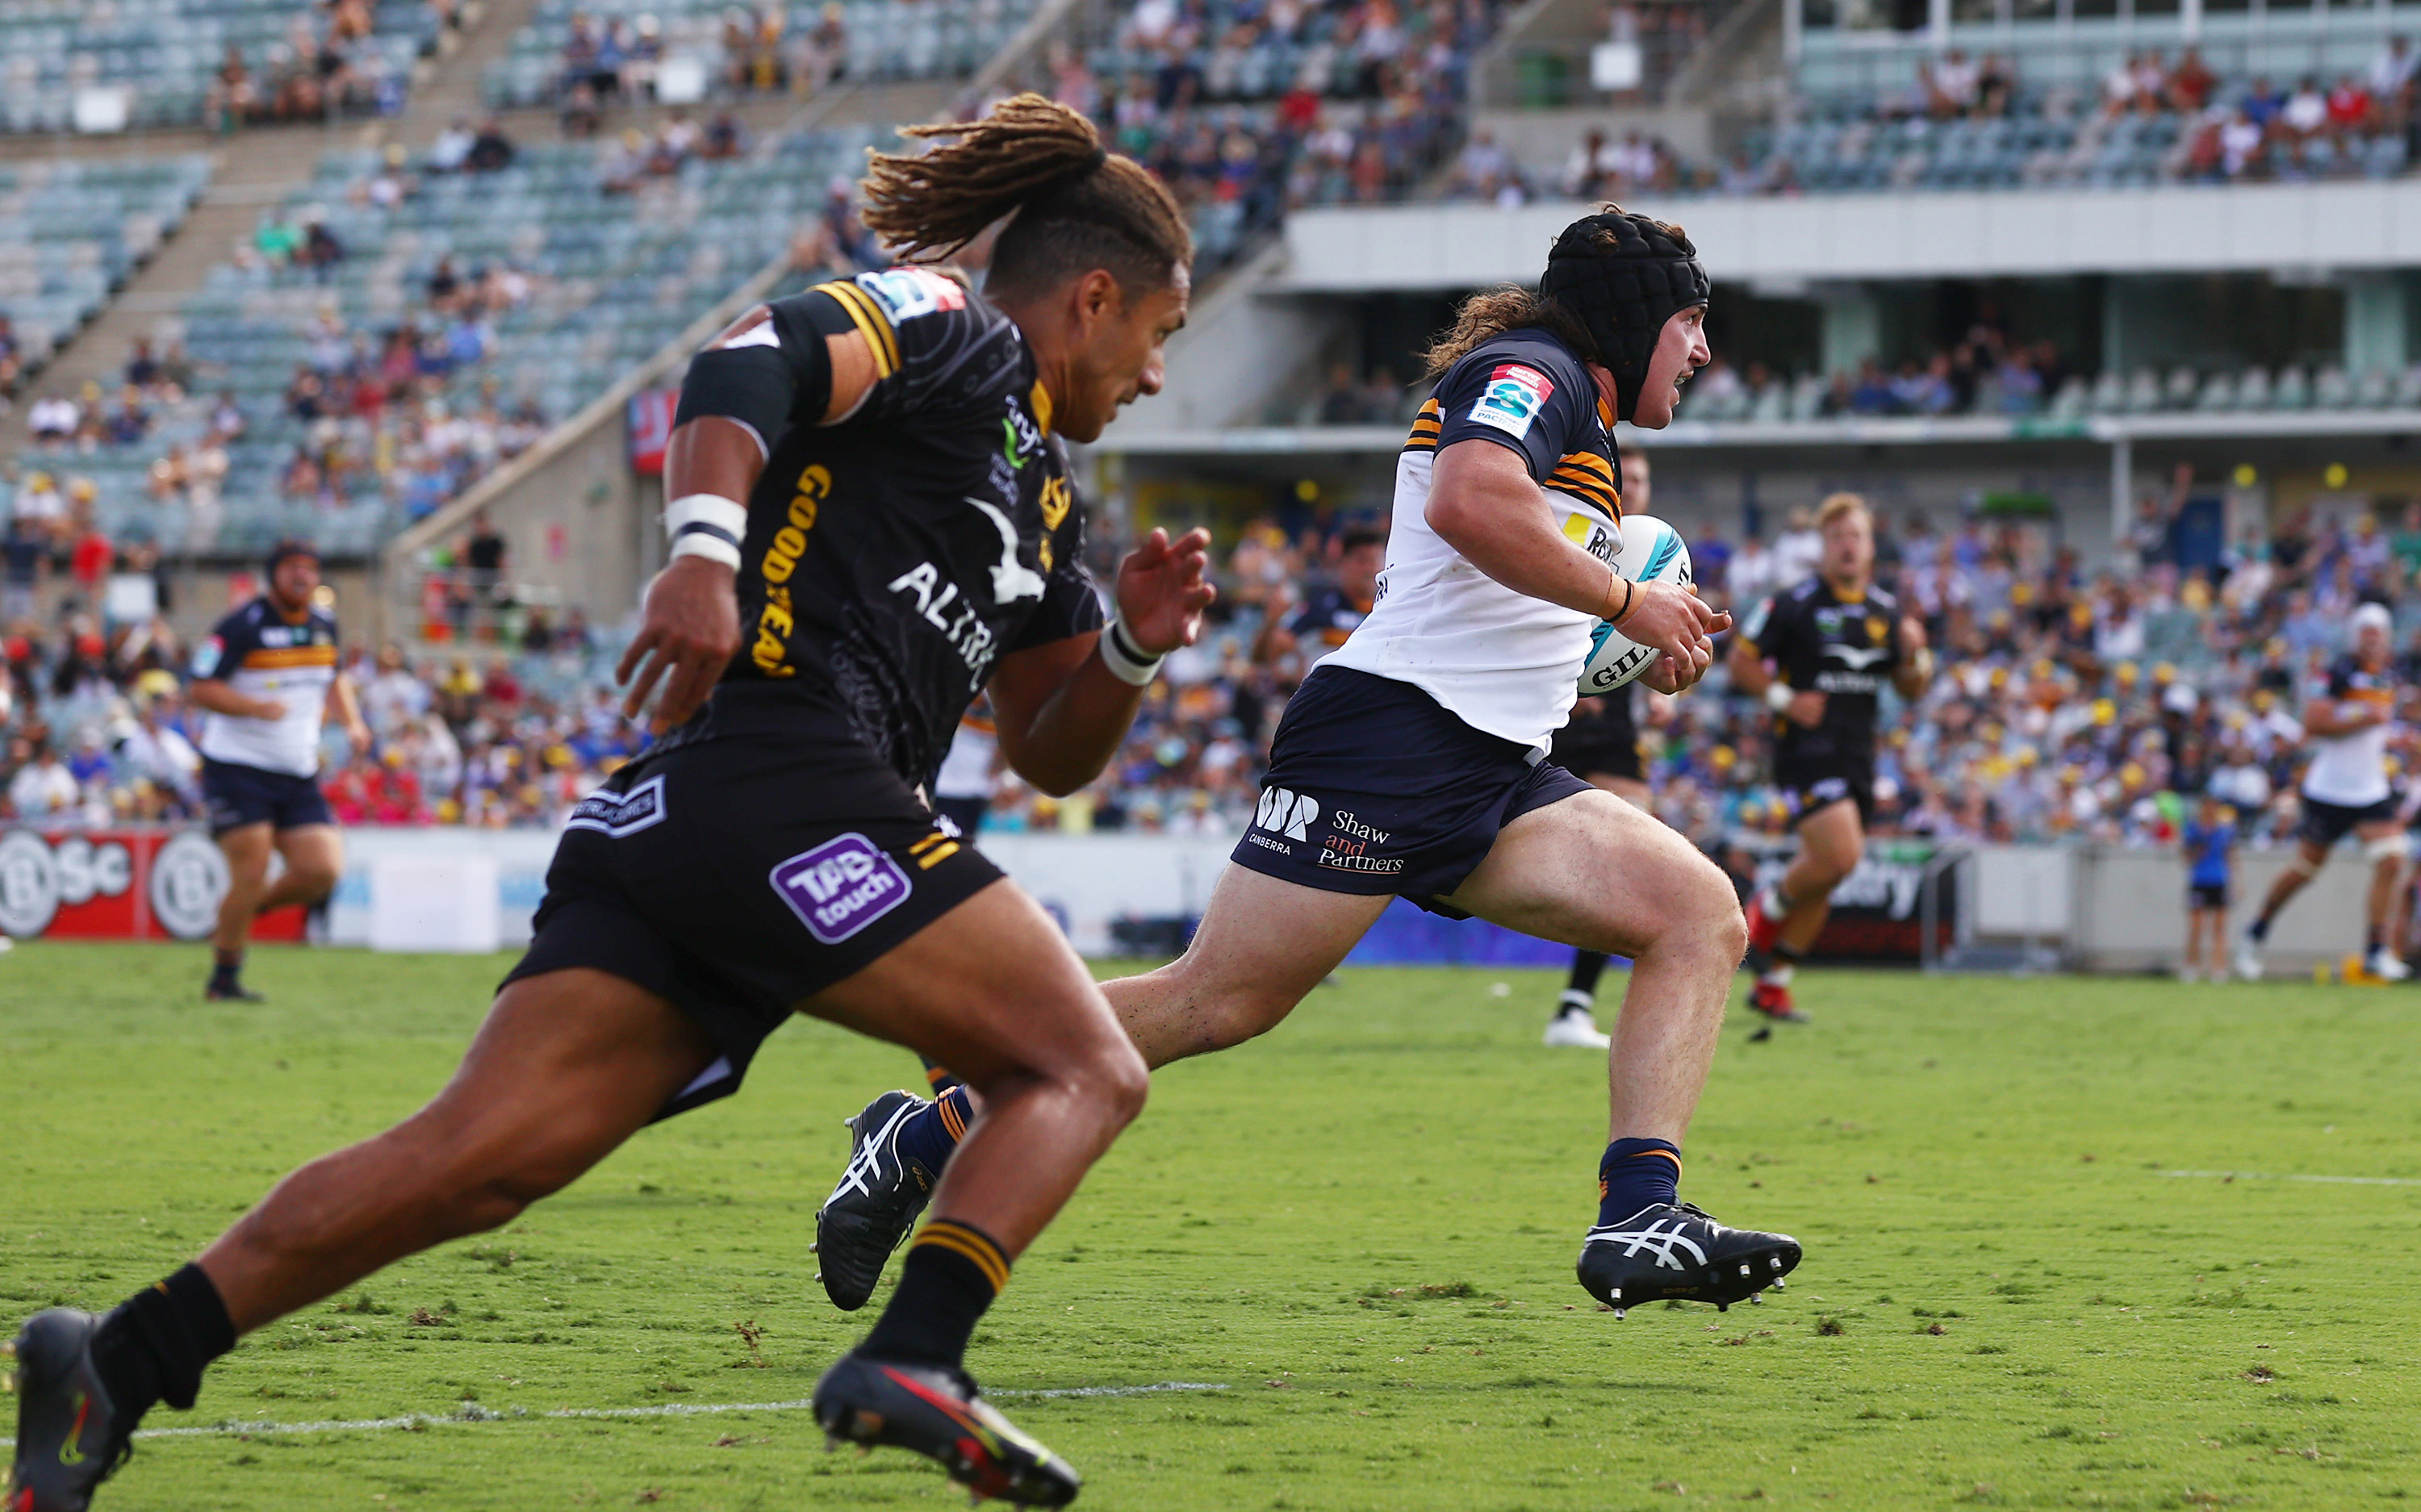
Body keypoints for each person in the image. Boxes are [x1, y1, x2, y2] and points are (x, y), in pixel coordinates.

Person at [6, 94, 1210, 1511]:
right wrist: (701, 549)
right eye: (1159, 335)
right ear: (1093, 297)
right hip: (786, 772)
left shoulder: (1049, 503)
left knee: (473, 1163)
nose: (1154, 375)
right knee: (1084, 1064)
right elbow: (750, 357)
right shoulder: (956, 326)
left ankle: (114, 1360)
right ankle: (917, 1352)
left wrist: (1131, 649)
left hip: (712, 817)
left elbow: (1052, 750)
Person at [812, 208, 1801, 1342]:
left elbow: (1494, 580)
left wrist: (1623, 638)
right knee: (1215, 1000)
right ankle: (923, 1132)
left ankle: (1639, 1214)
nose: (1704, 348)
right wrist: (1628, 599)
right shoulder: (1536, 368)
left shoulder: (1573, 403)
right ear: (1636, 315)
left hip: (1489, 764)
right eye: (1692, 320)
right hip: (1393, 739)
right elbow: (1467, 502)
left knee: (1697, 914)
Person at [1732, 493, 1934, 1027]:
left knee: (1827, 874)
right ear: (1824, 545)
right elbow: (1742, 662)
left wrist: (1917, 653)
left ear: (1870, 547)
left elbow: (1911, 689)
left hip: (1858, 756)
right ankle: (1758, 916)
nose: (1848, 545)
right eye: (1839, 536)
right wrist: (1785, 699)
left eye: (1857, 536)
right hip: (1805, 751)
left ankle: (1773, 987)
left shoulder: (1887, 612)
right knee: (1840, 857)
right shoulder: (1794, 602)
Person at [185, 541, 370, 1001]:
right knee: (251, 869)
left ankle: (240, 913)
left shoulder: (324, 624)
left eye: (310, 568)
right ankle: (224, 979)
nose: (302, 576)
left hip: (296, 770)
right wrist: (253, 708)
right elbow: (200, 688)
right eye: (291, 568)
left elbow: (334, 677)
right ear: (273, 575)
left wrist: (352, 722)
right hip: (237, 766)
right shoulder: (241, 625)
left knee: (322, 871)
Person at [1544, 446, 1657, 1050]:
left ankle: (1575, 1005)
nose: (1631, 487)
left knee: (1630, 861)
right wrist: (1569, 685)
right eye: (1623, 477)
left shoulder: (1656, 554)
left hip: (1614, 739)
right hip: (1548, 725)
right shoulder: (1571, 532)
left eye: (1640, 479)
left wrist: (1661, 681)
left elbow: (1647, 643)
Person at [2235, 601, 2408, 983]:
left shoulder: (2387, 676)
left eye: (2378, 634)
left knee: (2393, 860)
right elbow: (2314, 720)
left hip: (2369, 788)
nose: (2373, 641)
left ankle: (2376, 951)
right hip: (2330, 788)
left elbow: (2377, 732)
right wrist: (2363, 716)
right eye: (2366, 633)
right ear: (2355, 636)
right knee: (2305, 870)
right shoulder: (2338, 672)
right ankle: (2255, 932)